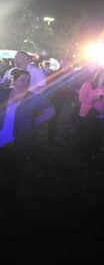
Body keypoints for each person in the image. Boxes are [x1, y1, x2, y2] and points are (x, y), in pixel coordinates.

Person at [0, 69, 55, 214]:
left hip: (18, 140)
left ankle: (7, 202)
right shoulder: (4, 93)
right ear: (14, 80)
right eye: (21, 80)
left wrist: (34, 123)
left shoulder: (33, 97)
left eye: (27, 80)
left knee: (13, 173)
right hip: (1, 137)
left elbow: (50, 111)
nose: (24, 83)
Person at [78, 69, 104, 160]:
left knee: (99, 134)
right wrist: (93, 99)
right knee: (87, 135)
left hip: (101, 115)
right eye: (101, 75)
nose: (103, 77)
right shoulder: (88, 85)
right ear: (97, 75)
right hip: (88, 114)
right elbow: (81, 99)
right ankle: (84, 153)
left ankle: (94, 151)